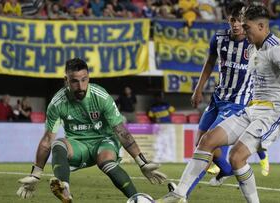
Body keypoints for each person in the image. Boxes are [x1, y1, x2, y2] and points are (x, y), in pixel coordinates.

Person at [157, 4, 280, 203]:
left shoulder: (276, 48)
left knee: (236, 158)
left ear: (262, 26)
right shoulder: (254, 45)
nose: (244, 31)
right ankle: (179, 194)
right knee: (207, 141)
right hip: (252, 108)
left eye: (247, 28)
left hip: (273, 112)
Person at [16, 58, 167, 202]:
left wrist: (142, 163)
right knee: (57, 144)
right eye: (75, 81)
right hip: (78, 145)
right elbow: (47, 140)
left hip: (104, 141)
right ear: (66, 80)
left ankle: (137, 198)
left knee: (105, 160)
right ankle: (64, 189)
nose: (81, 86)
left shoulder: (100, 97)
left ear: (88, 77)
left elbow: (121, 131)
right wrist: (36, 174)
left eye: (84, 79)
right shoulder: (57, 103)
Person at [190, 1, 270, 187]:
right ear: (228, 19)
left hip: (238, 103)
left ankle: (182, 193)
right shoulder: (219, 38)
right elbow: (210, 62)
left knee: (208, 144)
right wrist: (198, 88)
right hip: (218, 99)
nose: (235, 24)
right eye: (232, 20)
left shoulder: (256, 44)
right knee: (199, 143)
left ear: (245, 21)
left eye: (239, 21)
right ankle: (227, 170)